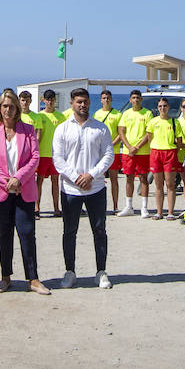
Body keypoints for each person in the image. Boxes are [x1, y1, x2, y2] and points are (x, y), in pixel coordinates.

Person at [0, 91, 49, 294]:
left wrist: (18, 178)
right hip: (1, 190)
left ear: (17, 108)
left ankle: (33, 279)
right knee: (4, 234)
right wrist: (7, 181)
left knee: (27, 233)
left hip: (24, 189)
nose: (8, 110)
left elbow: (35, 157)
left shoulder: (28, 130)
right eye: (4, 106)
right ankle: (6, 277)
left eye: (11, 106)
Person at [54, 88, 115, 289]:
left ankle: (101, 272)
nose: (83, 105)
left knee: (99, 230)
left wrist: (91, 175)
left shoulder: (100, 128)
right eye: (79, 101)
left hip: (95, 188)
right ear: (71, 103)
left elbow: (108, 155)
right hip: (71, 190)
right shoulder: (62, 129)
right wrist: (75, 177)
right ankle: (70, 272)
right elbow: (58, 159)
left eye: (86, 101)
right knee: (69, 232)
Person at [117, 90, 153, 217]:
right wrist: (129, 146)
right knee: (129, 178)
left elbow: (149, 133)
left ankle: (144, 207)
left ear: (141, 99)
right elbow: (121, 131)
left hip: (142, 152)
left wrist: (137, 147)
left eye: (138, 97)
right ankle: (129, 206)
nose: (136, 100)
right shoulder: (126, 114)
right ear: (130, 100)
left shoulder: (147, 113)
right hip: (128, 152)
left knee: (143, 178)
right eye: (133, 98)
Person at [148, 97, 182, 220]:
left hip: (170, 153)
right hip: (156, 153)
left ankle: (171, 212)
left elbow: (179, 141)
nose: (162, 108)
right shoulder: (153, 122)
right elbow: (149, 138)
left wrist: (172, 151)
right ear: (158, 108)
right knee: (158, 185)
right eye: (160, 106)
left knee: (170, 184)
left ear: (168, 107)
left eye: (165, 106)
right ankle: (159, 212)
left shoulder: (175, 122)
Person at [37, 89, 64, 217]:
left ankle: (56, 208)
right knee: (39, 180)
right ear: (44, 100)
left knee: (55, 181)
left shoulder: (61, 117)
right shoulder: (40, 116)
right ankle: (37, 208)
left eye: (52, 99)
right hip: (43, 153)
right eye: (48, 100)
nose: (50, 102)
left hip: (56, 154)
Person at [94, 89, 122, 201]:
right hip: (99, 152)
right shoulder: (97, 113)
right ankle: (100, 205)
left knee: (114, 179)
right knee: (99, 179)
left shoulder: (118, 114)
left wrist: (111, 144)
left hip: (113, 151)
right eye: (104, 98)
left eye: (108, 98)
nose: (106, 100)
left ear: (111, 99)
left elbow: (121, 133)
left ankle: (115, 205)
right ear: (101, 100)